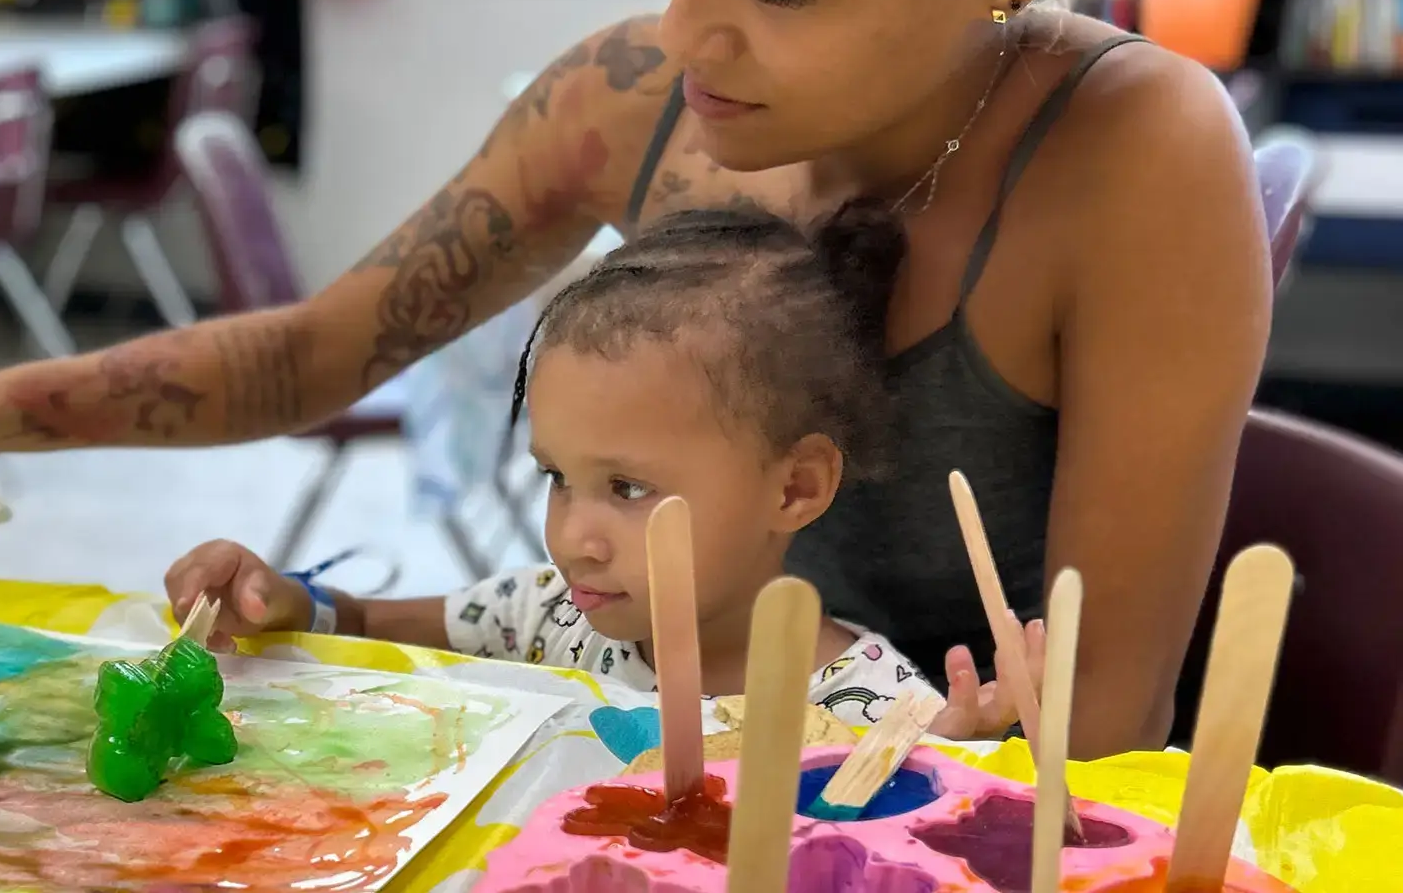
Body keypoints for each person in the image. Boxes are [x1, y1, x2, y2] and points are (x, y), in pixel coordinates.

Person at [0, 0, 1321, 758]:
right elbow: (315, 353)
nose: (688, 24)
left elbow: (1104, 737)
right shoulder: (632, 103)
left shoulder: (1134, 163)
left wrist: (982, 761)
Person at [166, 204, 1036, 735]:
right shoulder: (555, 617)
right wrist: (285, 602)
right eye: (554, 476)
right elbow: (361, 620)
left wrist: (948, 770)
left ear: (794, 487)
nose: (572, 538)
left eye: (626, 488)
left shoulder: (876, 711)